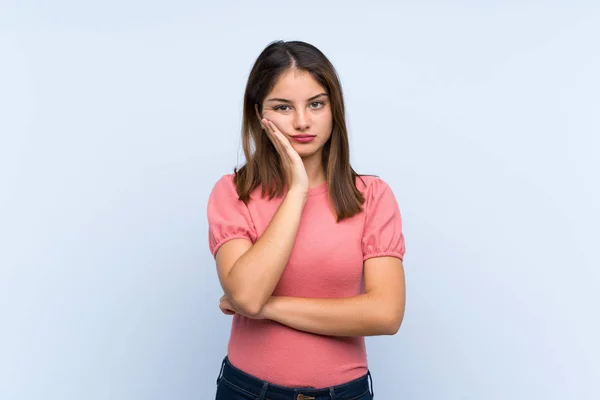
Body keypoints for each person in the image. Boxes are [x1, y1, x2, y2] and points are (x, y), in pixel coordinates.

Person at [207, 40, 406, 400]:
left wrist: (270, 308)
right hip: (249, 391)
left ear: (334, 109)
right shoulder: (233, 192)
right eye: (283, 107)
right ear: (259, 114)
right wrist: (297, 189)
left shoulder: (372, 196)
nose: (302, 122)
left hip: (345, 393)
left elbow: (386, 314)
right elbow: (248, 297)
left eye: (316, 104)